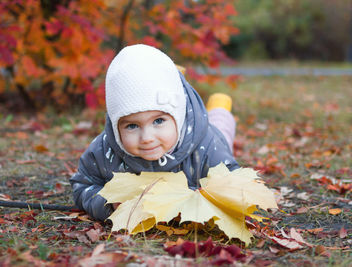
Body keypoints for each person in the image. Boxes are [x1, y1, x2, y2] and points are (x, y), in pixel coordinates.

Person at [70, 44, 239, 221]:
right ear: (116, 125)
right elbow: (83, 185)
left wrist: (183, 200)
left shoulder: (208, 145)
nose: (147, 138)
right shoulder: (105, 150)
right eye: (132, 126)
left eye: (158, 121)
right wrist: (108, 204)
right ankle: (171, 77)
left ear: (178, 117)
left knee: (221, 126)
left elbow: (231, 186)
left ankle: (219, 105)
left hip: (200, 133)